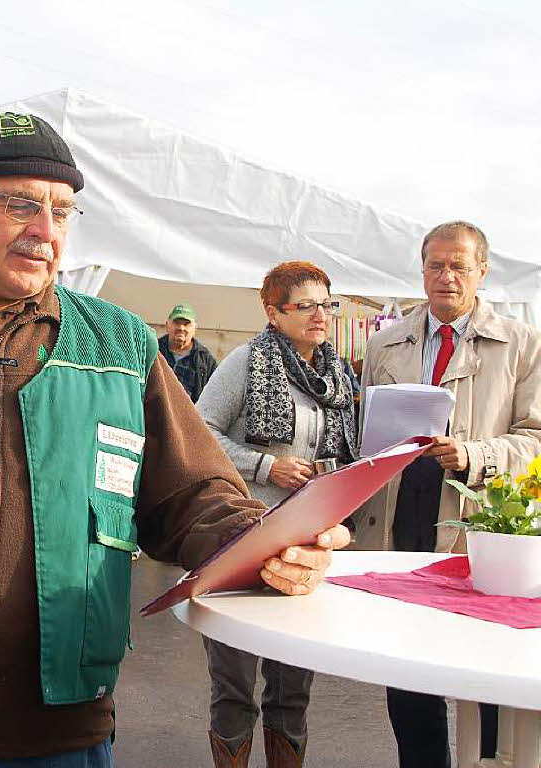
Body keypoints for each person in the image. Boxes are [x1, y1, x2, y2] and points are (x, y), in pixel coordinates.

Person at [0, 111, 349, 767]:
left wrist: (261, 539)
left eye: (62, 211)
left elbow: (192, 493)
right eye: (22, 204)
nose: (46, 232)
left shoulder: (119, 346)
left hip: (58, 734)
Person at [356, 221, 541, 768]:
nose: (446, 276)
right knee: (406, 666)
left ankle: (489, 761)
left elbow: (536, 438)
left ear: (482, 271)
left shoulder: (521, 344)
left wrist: (474, 454)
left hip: (478, 526)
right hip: (399, 515)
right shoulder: (386, 342)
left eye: (459, 265)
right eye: (435, 265)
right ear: (422, 271)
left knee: (483, 667)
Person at [197, 261, 356, 767]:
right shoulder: (245, 361)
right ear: (273, 312)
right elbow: (200, 435)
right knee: (234, 687)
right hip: (240, 540)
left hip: (303, 549)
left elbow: (347, 453)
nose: (320, 315)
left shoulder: (336, 375)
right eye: (305, 305)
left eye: (326, 304)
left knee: (292, 691)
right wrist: (266, 464)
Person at [158, 302, 218, 402]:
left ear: (194, 328)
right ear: (167, 325)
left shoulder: (205, 360)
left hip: (191, 416)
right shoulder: (154, 351)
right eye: (176, 323)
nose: (181, 328)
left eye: (186, 324)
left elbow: (214, 395)